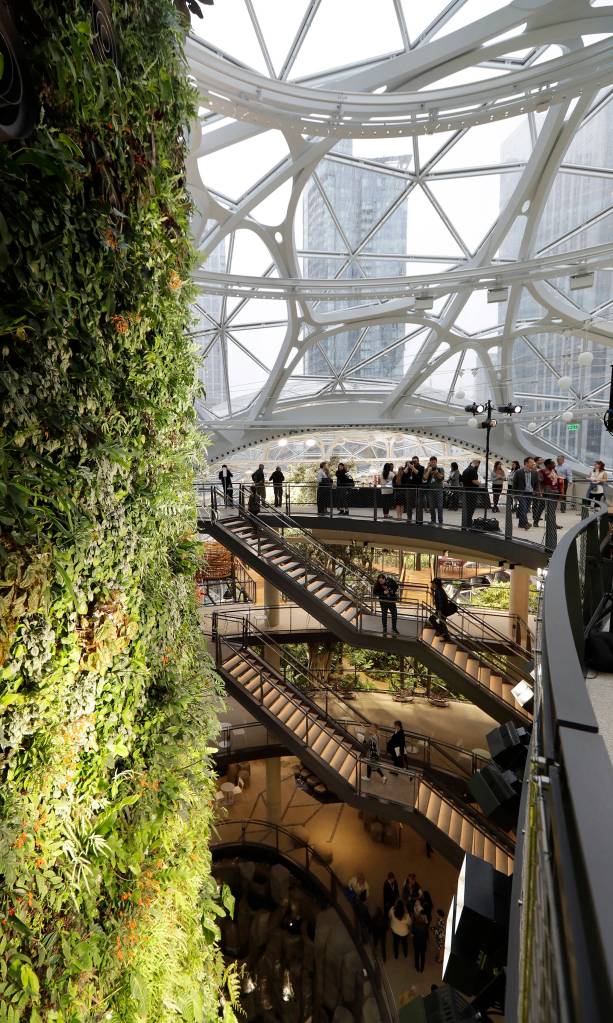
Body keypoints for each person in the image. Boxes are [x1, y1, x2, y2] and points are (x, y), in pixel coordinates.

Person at [513, 456, 539, 530]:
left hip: (530, 493)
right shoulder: (518, 472)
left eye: (533, 462)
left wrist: (535, 491)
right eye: (531, 462)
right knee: (523, 508)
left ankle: (521, 524)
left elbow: (536, 483)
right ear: (526, 463)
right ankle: (526, 523)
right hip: (521, 493)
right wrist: (514, 494)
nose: (533, 464)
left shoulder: (535, 472)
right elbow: (514, 483)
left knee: (525, 509)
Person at [535, 458, 560, 529]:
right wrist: (540, 492)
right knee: (541, 507)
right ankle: (536, 521)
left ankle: (552, 523)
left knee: (552, 509)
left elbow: (557, 481)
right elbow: (539, 483)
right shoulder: (541, 471)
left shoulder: (554, 471)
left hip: (555, 492)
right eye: (553, 463)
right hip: (546, 492)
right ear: (548, 465)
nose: (554, 465)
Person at [460, 459, 481, 528]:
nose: (478, 466)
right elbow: (474, 481)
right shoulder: (473, 470)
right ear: (476, 464)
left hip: (466, 491)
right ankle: (469, 523)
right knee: (471, 508)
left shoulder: (466, 470)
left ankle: (467, 523)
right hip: (472, 492)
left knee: (468, 508)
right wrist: (480, 483)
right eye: (478, 464)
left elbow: (462, 480)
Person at [424, 456, 445, 525]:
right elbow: (424, 478)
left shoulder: (440, 469)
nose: (433, 463)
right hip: (430, 491)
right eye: (431, 462)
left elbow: (441, 478)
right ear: (430, 462)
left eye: (434, 462)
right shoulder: (428, 470)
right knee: (431, 506)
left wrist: (437, 473)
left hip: (439, 490)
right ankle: (433, 520)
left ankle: (440, 521)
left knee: (440, 506)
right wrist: (428, 470)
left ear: (436, 462)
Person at [406, 456, 424, 523]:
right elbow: (405, 473)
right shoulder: (410, 467)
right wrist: (408, 466)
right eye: (413, 461)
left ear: (418, 461)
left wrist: (412, 467)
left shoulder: (421, 467)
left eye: (415, 461)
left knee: (419, 505)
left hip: (418, 489)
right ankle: (409, 518)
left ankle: (419, 520)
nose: (414, 462)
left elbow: (418, 474)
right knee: (409, 505)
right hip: (410, 488)